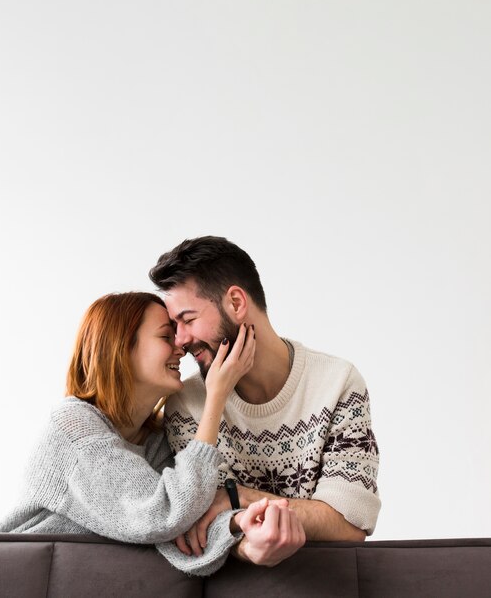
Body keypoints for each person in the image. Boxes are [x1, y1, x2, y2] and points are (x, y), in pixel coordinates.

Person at [0, 292, 305, 576]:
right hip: (17, 578)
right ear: (120, 348)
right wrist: (216, 398)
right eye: (165, 336)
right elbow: (164, 512)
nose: (181, 346)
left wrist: (237, 523)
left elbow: (180, 532)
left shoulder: (154, 442)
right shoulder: (73, 427)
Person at [149, 236, 380, 555]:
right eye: (174, 327)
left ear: (236, 303)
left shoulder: (337, 383)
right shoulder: (185, 403)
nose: (181, 340)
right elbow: (199, 523)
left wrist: (239, 497)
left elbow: (350, 524)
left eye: (188, 320)